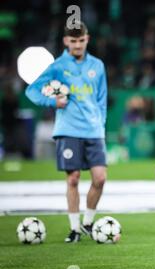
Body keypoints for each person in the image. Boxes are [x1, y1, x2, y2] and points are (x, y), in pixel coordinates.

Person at [26, 21, 108, 243]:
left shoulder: (97, 65)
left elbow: (101, 99)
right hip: (68, 130)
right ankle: (74, 229)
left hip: (94, 130)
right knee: (73, 178)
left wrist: (101, 125)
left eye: (81, 40)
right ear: (65, 42)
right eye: (73, 41)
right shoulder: (58, 66)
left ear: (87, 39)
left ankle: (88, 223)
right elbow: (31, 90)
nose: (78, 45)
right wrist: (52, 101)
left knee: (100, 179)